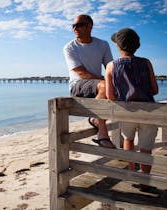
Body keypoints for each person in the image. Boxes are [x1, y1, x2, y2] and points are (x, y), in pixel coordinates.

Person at [105, 28, 159, 191]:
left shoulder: (111, 66)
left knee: (128, 140)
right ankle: (144, 180)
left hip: (127, 111)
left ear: (118, 47)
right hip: (149, 112)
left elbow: (110, 96)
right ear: (137, 46)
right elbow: (155, 89)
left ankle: (131, 172)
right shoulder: (146, 62)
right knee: (146, 147)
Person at [63, 14, 116, 148]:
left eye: (79, 25)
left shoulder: (102, 45)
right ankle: (102, 133)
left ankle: (126, 135)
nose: (75, 28)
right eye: (73, 26)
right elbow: (82, 73)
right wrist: (106, 82)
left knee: (113, 88)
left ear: (89, 26)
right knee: (106, 86)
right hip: (78, 85)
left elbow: (110, 68)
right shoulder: (69, 47)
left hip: (97, 86)